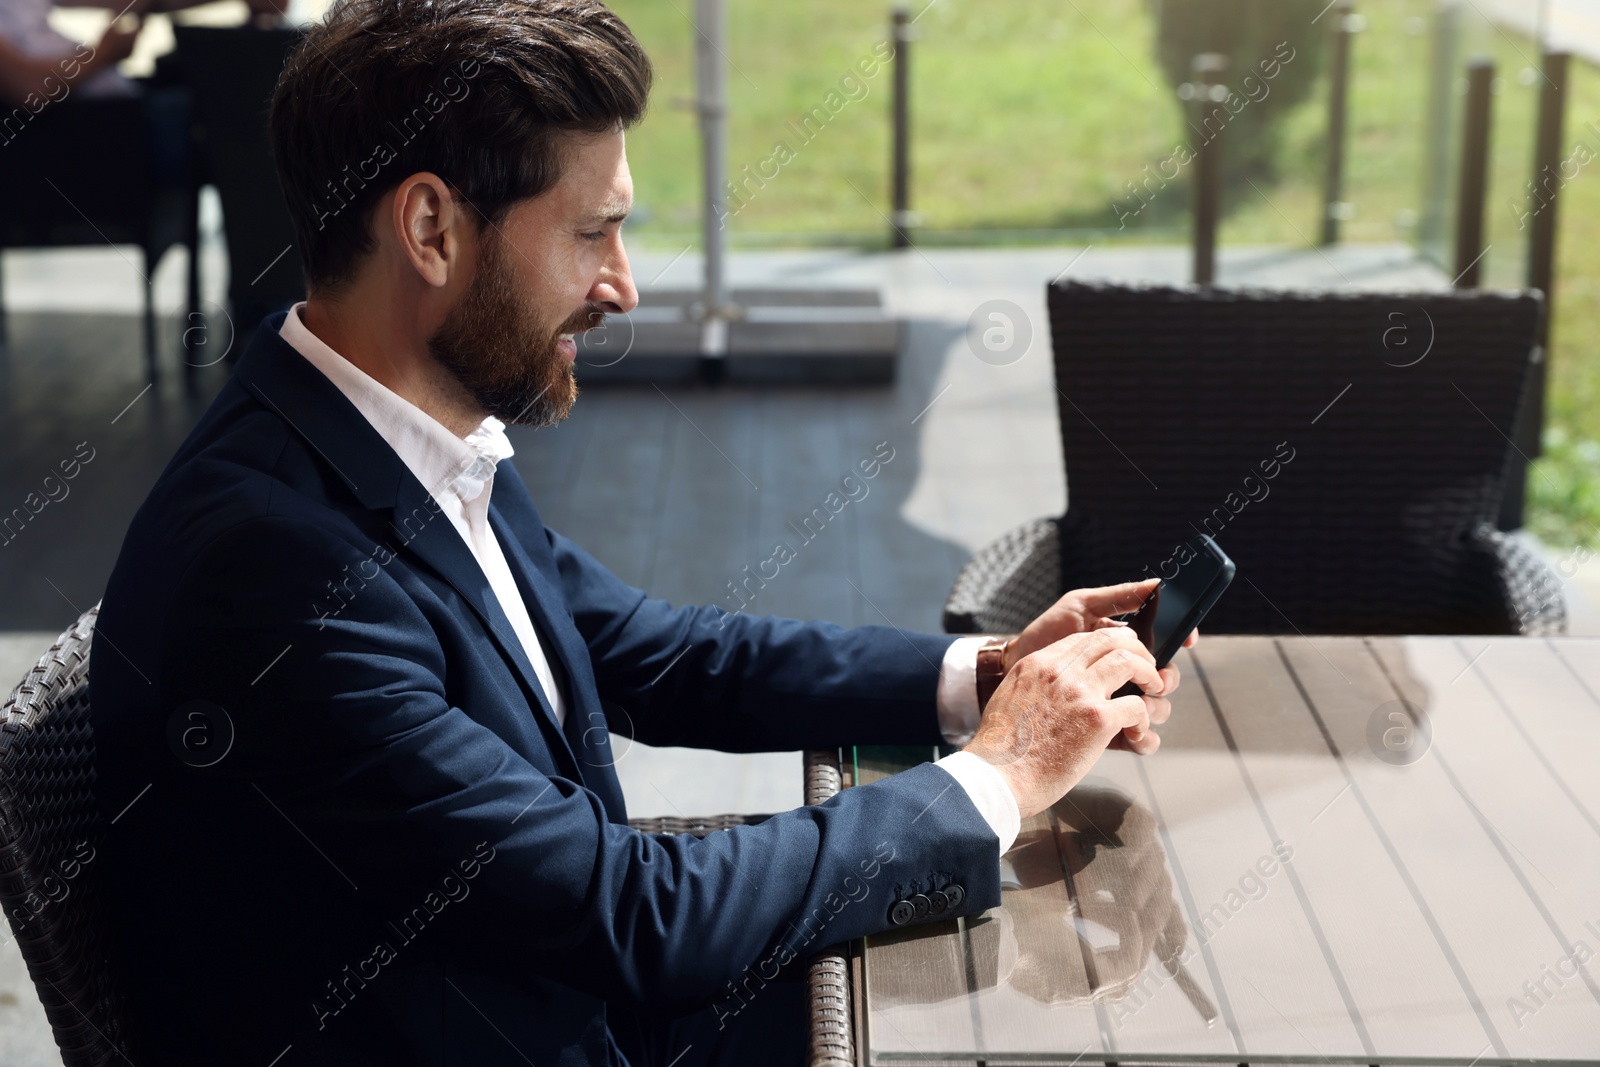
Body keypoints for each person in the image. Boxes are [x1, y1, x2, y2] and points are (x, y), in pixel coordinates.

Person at [88, 1, 1191, 1064]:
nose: (620, 284)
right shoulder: (279, 575)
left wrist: (986, 672)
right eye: (591, 232)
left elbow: (656, 651)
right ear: (430, 229)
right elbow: (633, 912)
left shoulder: (401, 431)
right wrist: (1001, 771)